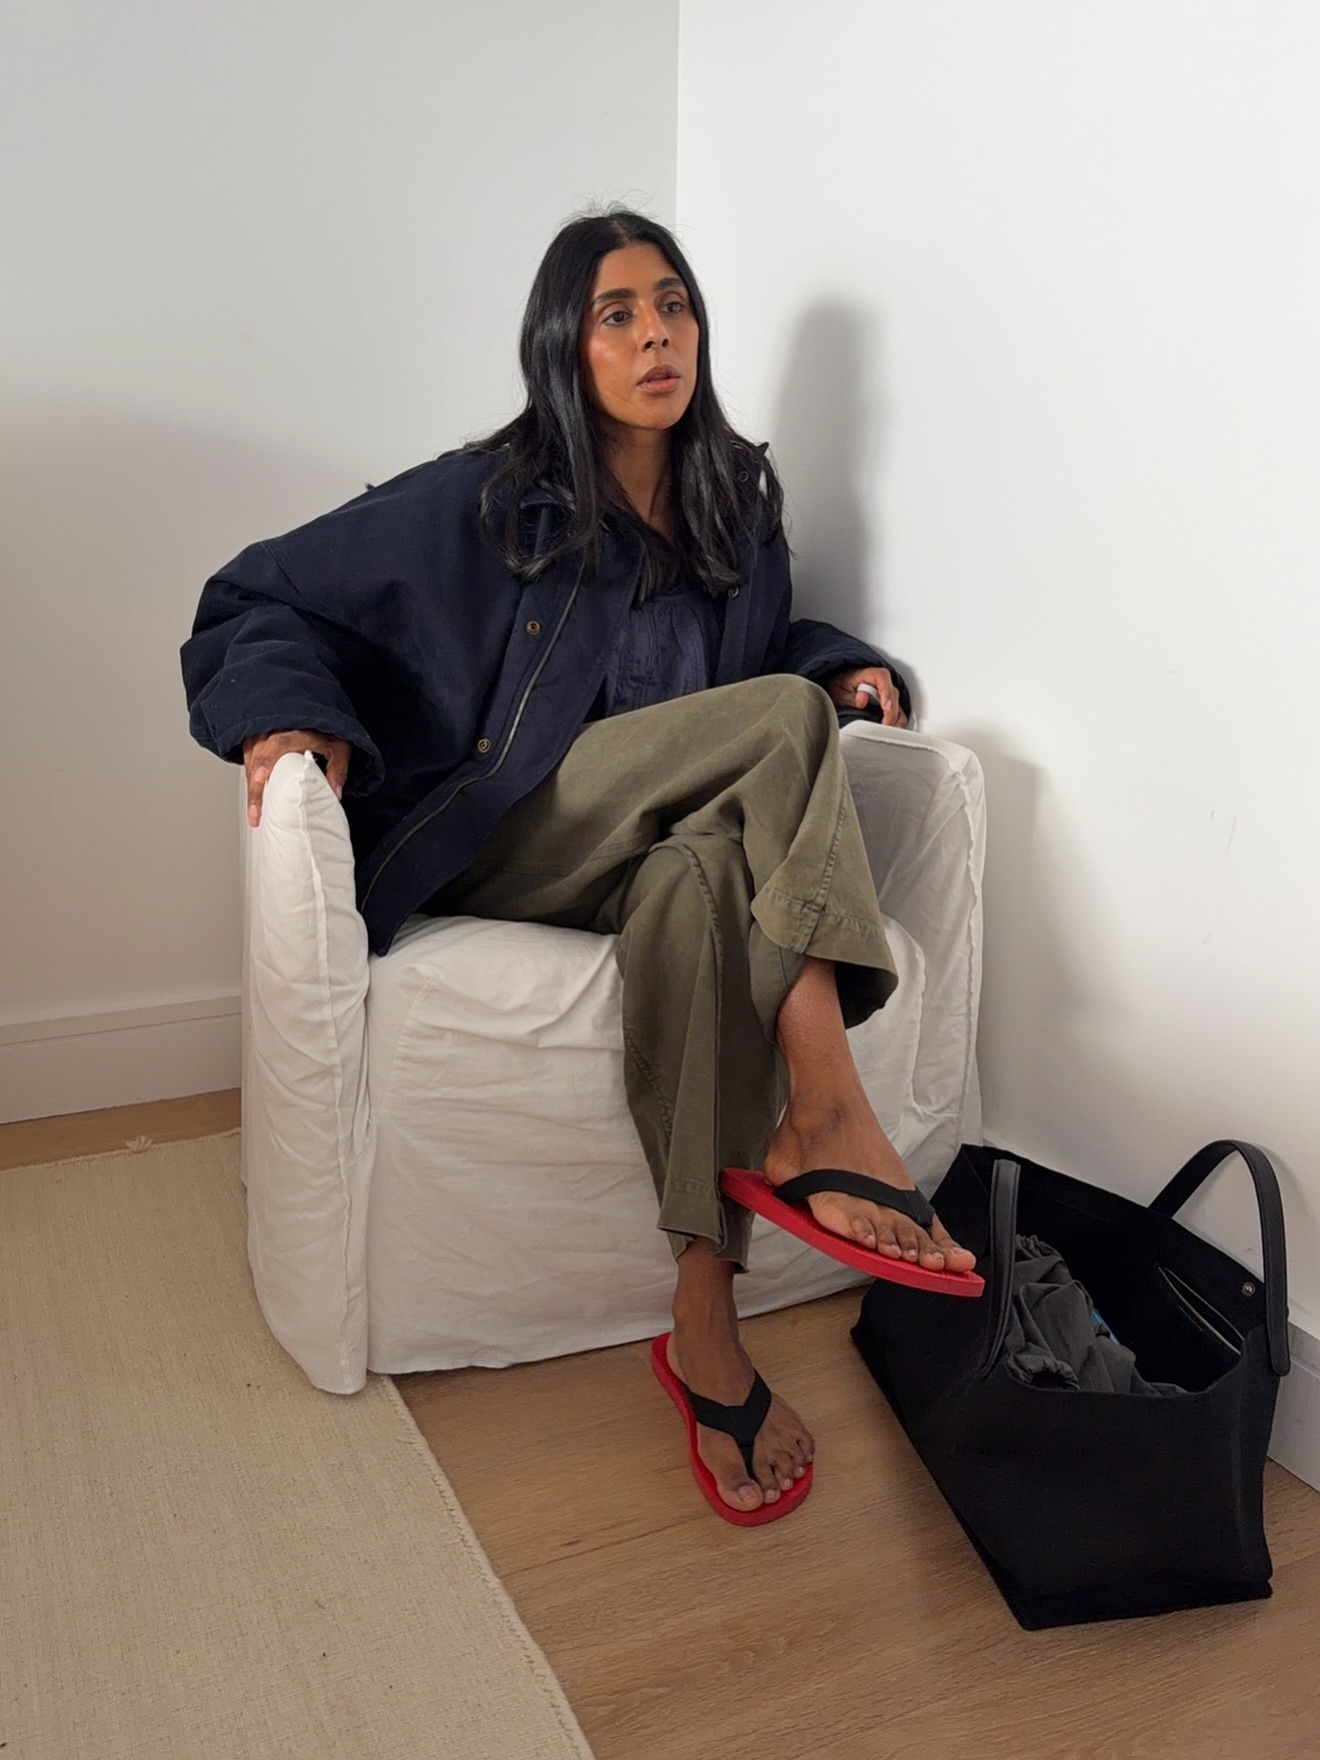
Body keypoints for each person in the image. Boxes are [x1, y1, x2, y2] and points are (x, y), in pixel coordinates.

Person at [182, 208, 975, 1524]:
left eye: (675, 305)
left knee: (703, 881)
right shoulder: (490, 500)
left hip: (645, 851)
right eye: (619, 313)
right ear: (567, 343)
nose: (658, 332)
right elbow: (255, 594)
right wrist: (286, 710)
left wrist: (838, 660)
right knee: (782, 725)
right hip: (514, 838)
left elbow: (759, 657)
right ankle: (829, 1114)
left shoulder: (736, 502)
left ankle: (702, 1310)